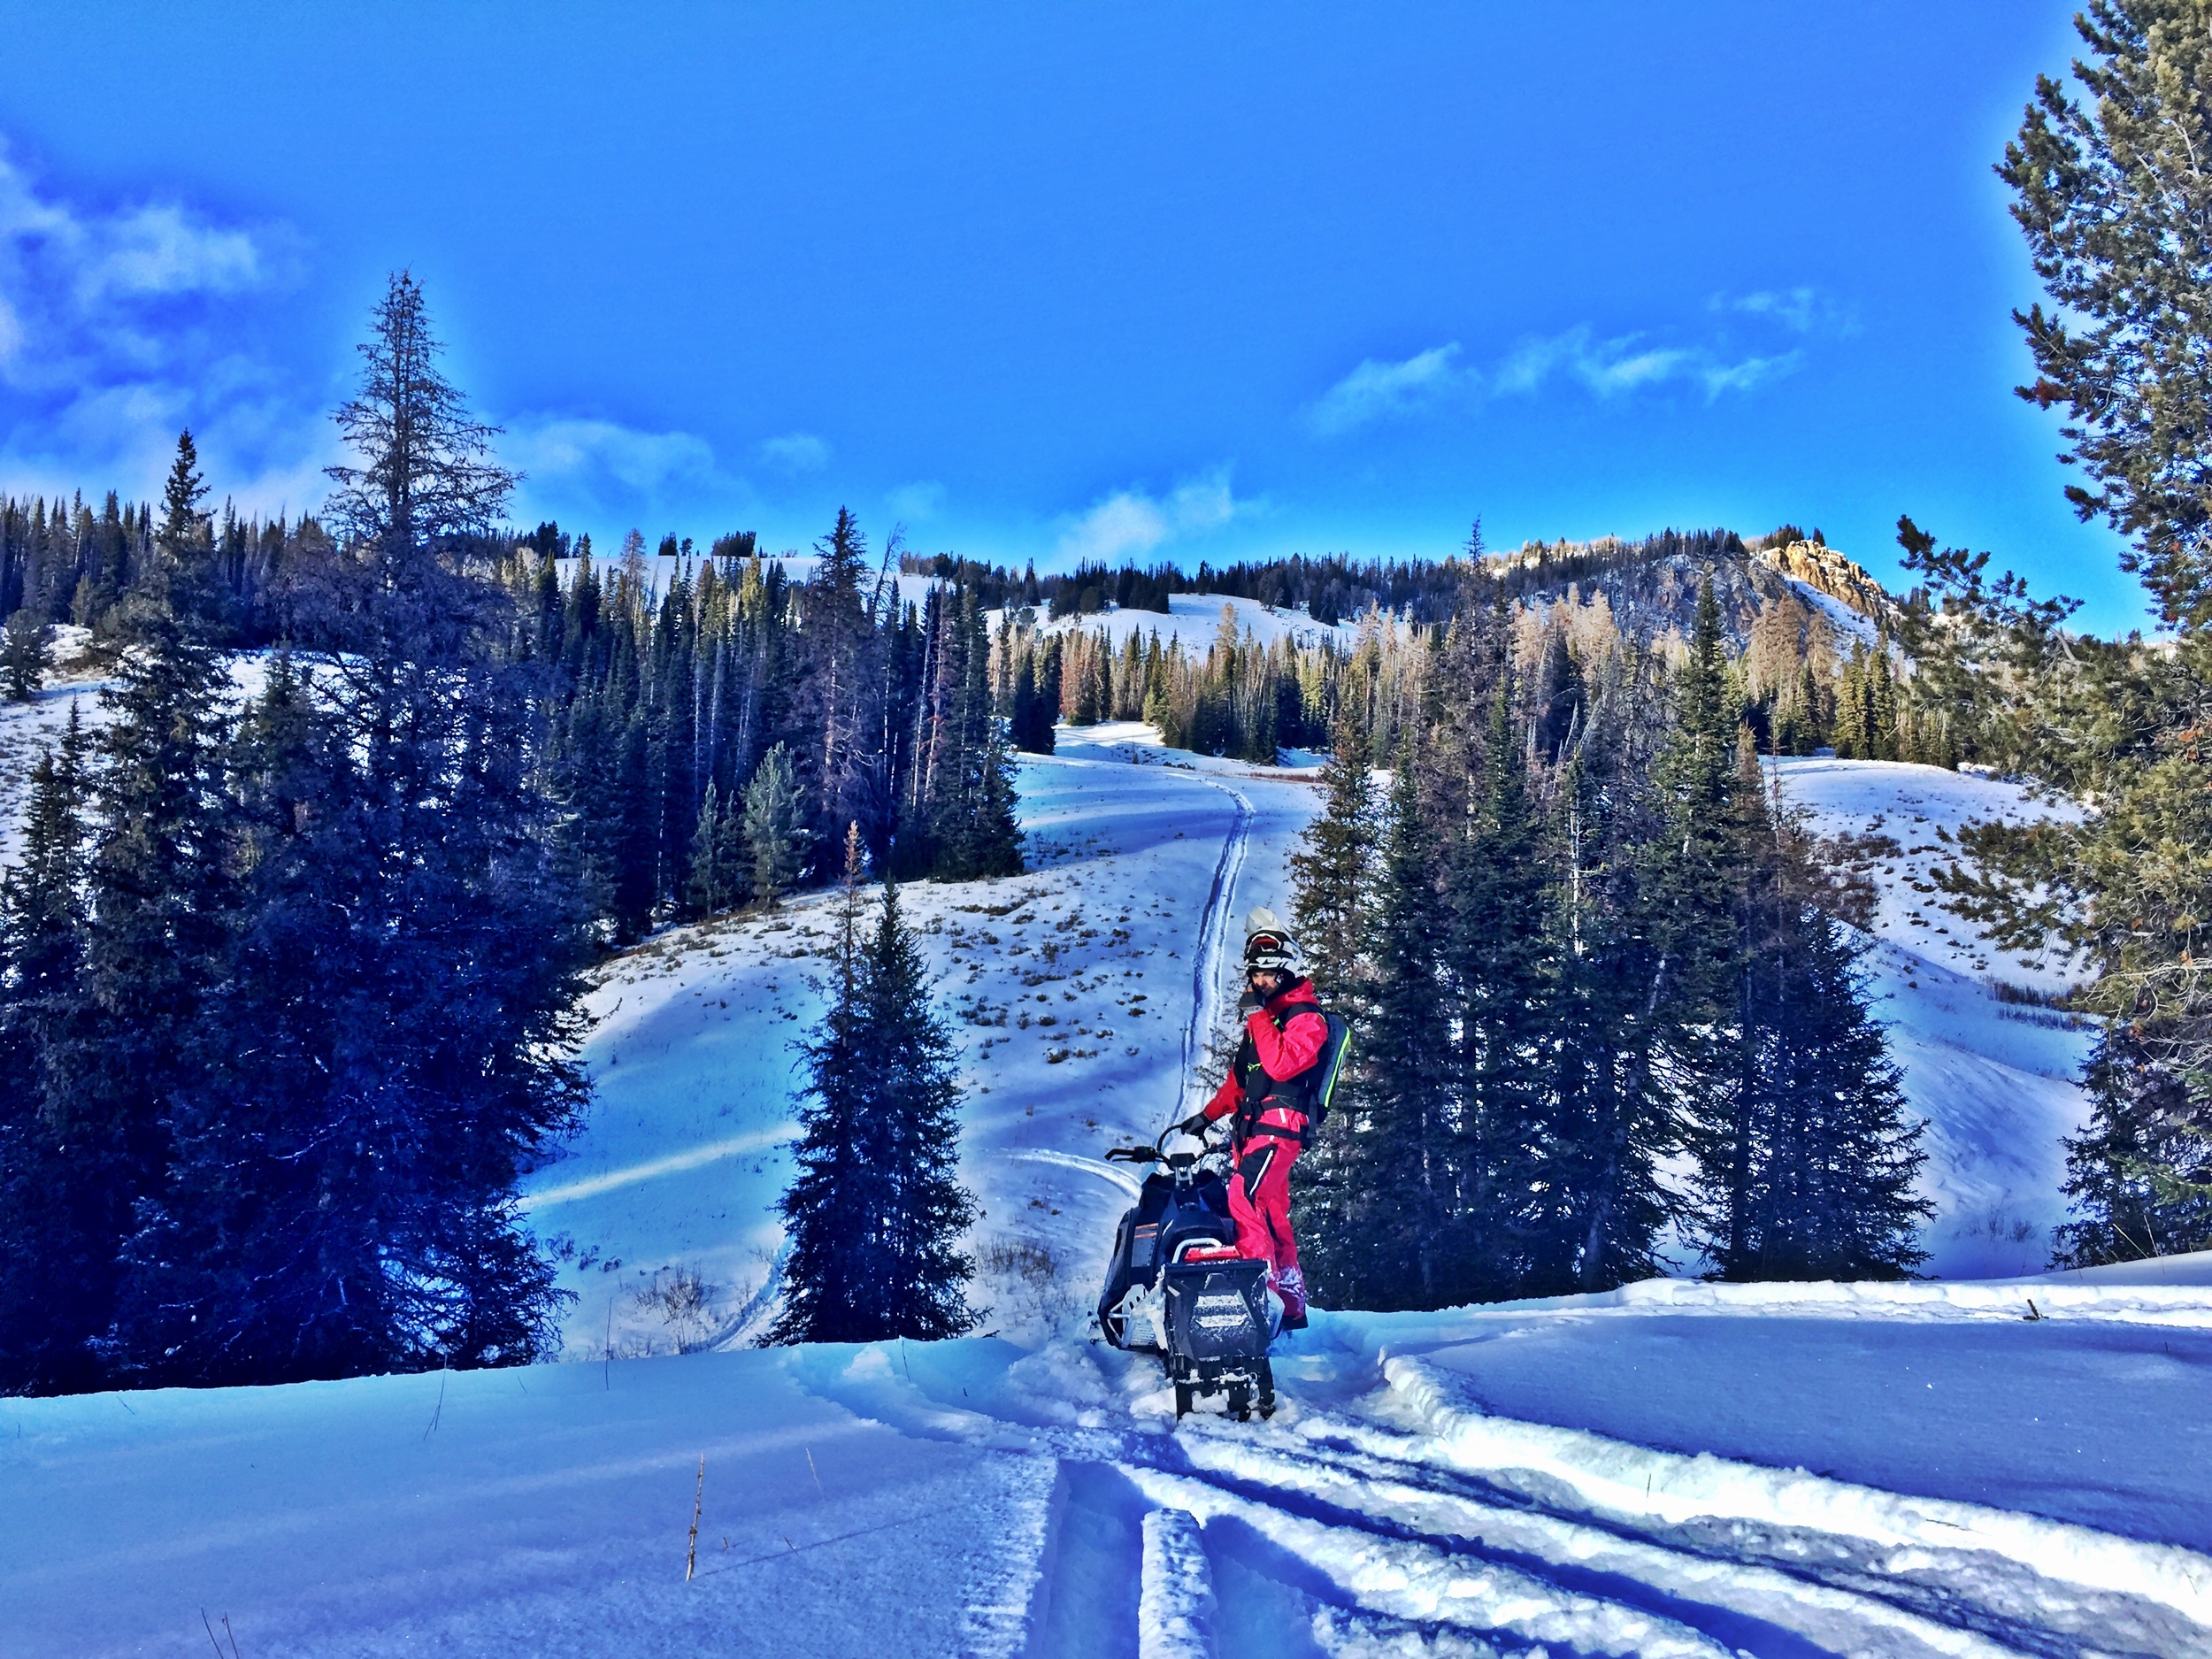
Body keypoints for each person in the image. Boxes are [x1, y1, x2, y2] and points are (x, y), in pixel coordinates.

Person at [1179, 909, 1326, 1329]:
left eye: (1268, 973)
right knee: (1270, 1210)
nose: (1259, 981)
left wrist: (1259, 1016)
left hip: (1280, 1128)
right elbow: (1240, 1081)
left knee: (1242, 1195)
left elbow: (1281, 1067)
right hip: (1257, 1128)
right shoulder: (1266, 1021)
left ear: (1287, 970)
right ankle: (1290, 1304)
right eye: (1255, 974)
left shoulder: (1305, 1018)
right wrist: (1205, 1118)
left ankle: (1256, 1298)